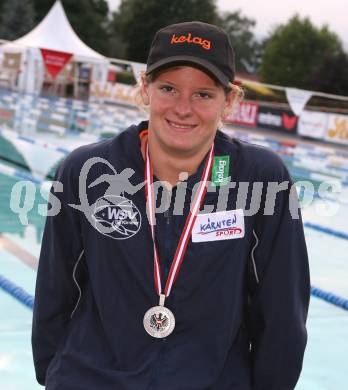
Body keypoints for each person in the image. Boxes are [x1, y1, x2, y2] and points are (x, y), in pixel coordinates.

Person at [32, 21, 310, 389]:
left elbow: (281, 312)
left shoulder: (261, 178)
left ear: (230, 101)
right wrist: (56, 375)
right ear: (145, 89)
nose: (183, 108)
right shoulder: (87, 172)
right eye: (168, 88)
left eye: (203, 95)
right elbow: (55, 290)